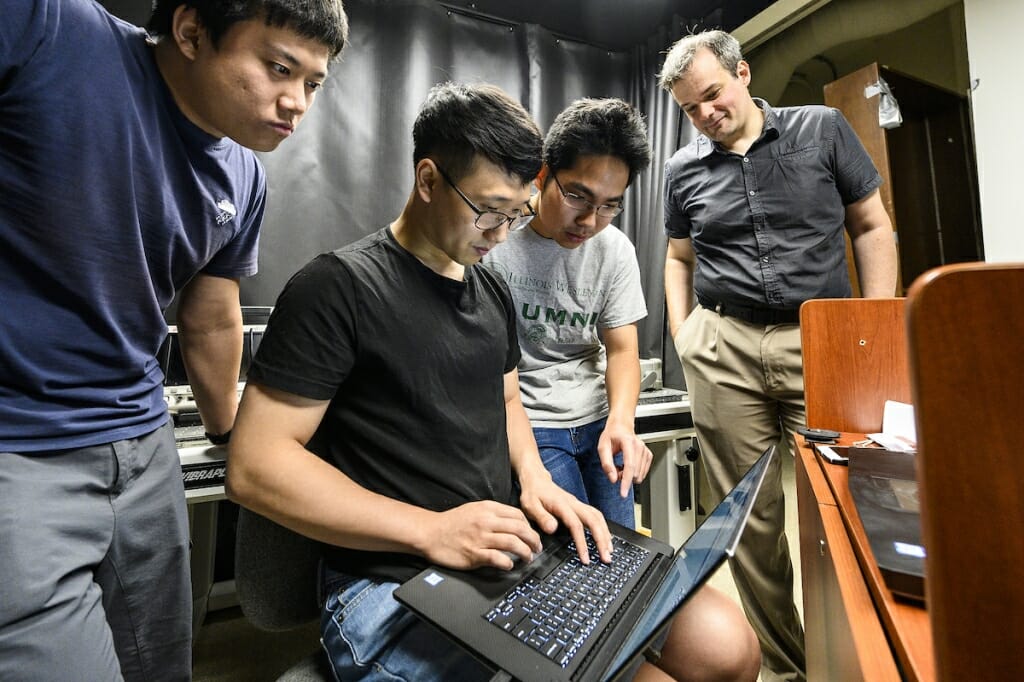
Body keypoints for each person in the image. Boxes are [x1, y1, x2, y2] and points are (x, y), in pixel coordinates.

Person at [227, 81, 761, 682]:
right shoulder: (338, 288)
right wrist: (432, 530)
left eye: (517, 214)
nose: (501, 234)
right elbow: (255, 466)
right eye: (488, 211)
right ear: (428, 181)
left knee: (727, 648)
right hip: (391, 580)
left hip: (503, 549)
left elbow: (507, 397)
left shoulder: (489, 289)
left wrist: (534, 480)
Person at [0, 0, 348, 679]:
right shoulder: (48, 29)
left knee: (162, 659)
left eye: (312, 82)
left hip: (141, 439)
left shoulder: (244, 178)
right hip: (22, 442)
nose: (296, 102)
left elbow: (211, 315)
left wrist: (229, 432)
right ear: (191, 31)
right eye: (279, 68)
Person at [657, 30, 898, 682]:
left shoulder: (821, 130)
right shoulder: (682, 171)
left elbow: (872, 225)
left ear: (742, 73)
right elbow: (678, 259)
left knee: (852, 503)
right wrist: (684, 334)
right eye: (690, 108)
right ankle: (788, 672)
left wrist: (873, 331)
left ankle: (870, 662)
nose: (705, 113)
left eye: (712, 94)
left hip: (821, 337)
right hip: (724, 346)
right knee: (747, 521)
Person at [484, 98, 654, 530]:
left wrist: (621, 421)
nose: (590, 221)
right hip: (533, 423)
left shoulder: (615, 251)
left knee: (622, 542)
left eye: (610, 205)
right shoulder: (496, 243)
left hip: (597, 417)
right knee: (576, 544)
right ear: (542, 175)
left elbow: (621, 351)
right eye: (578, 195)